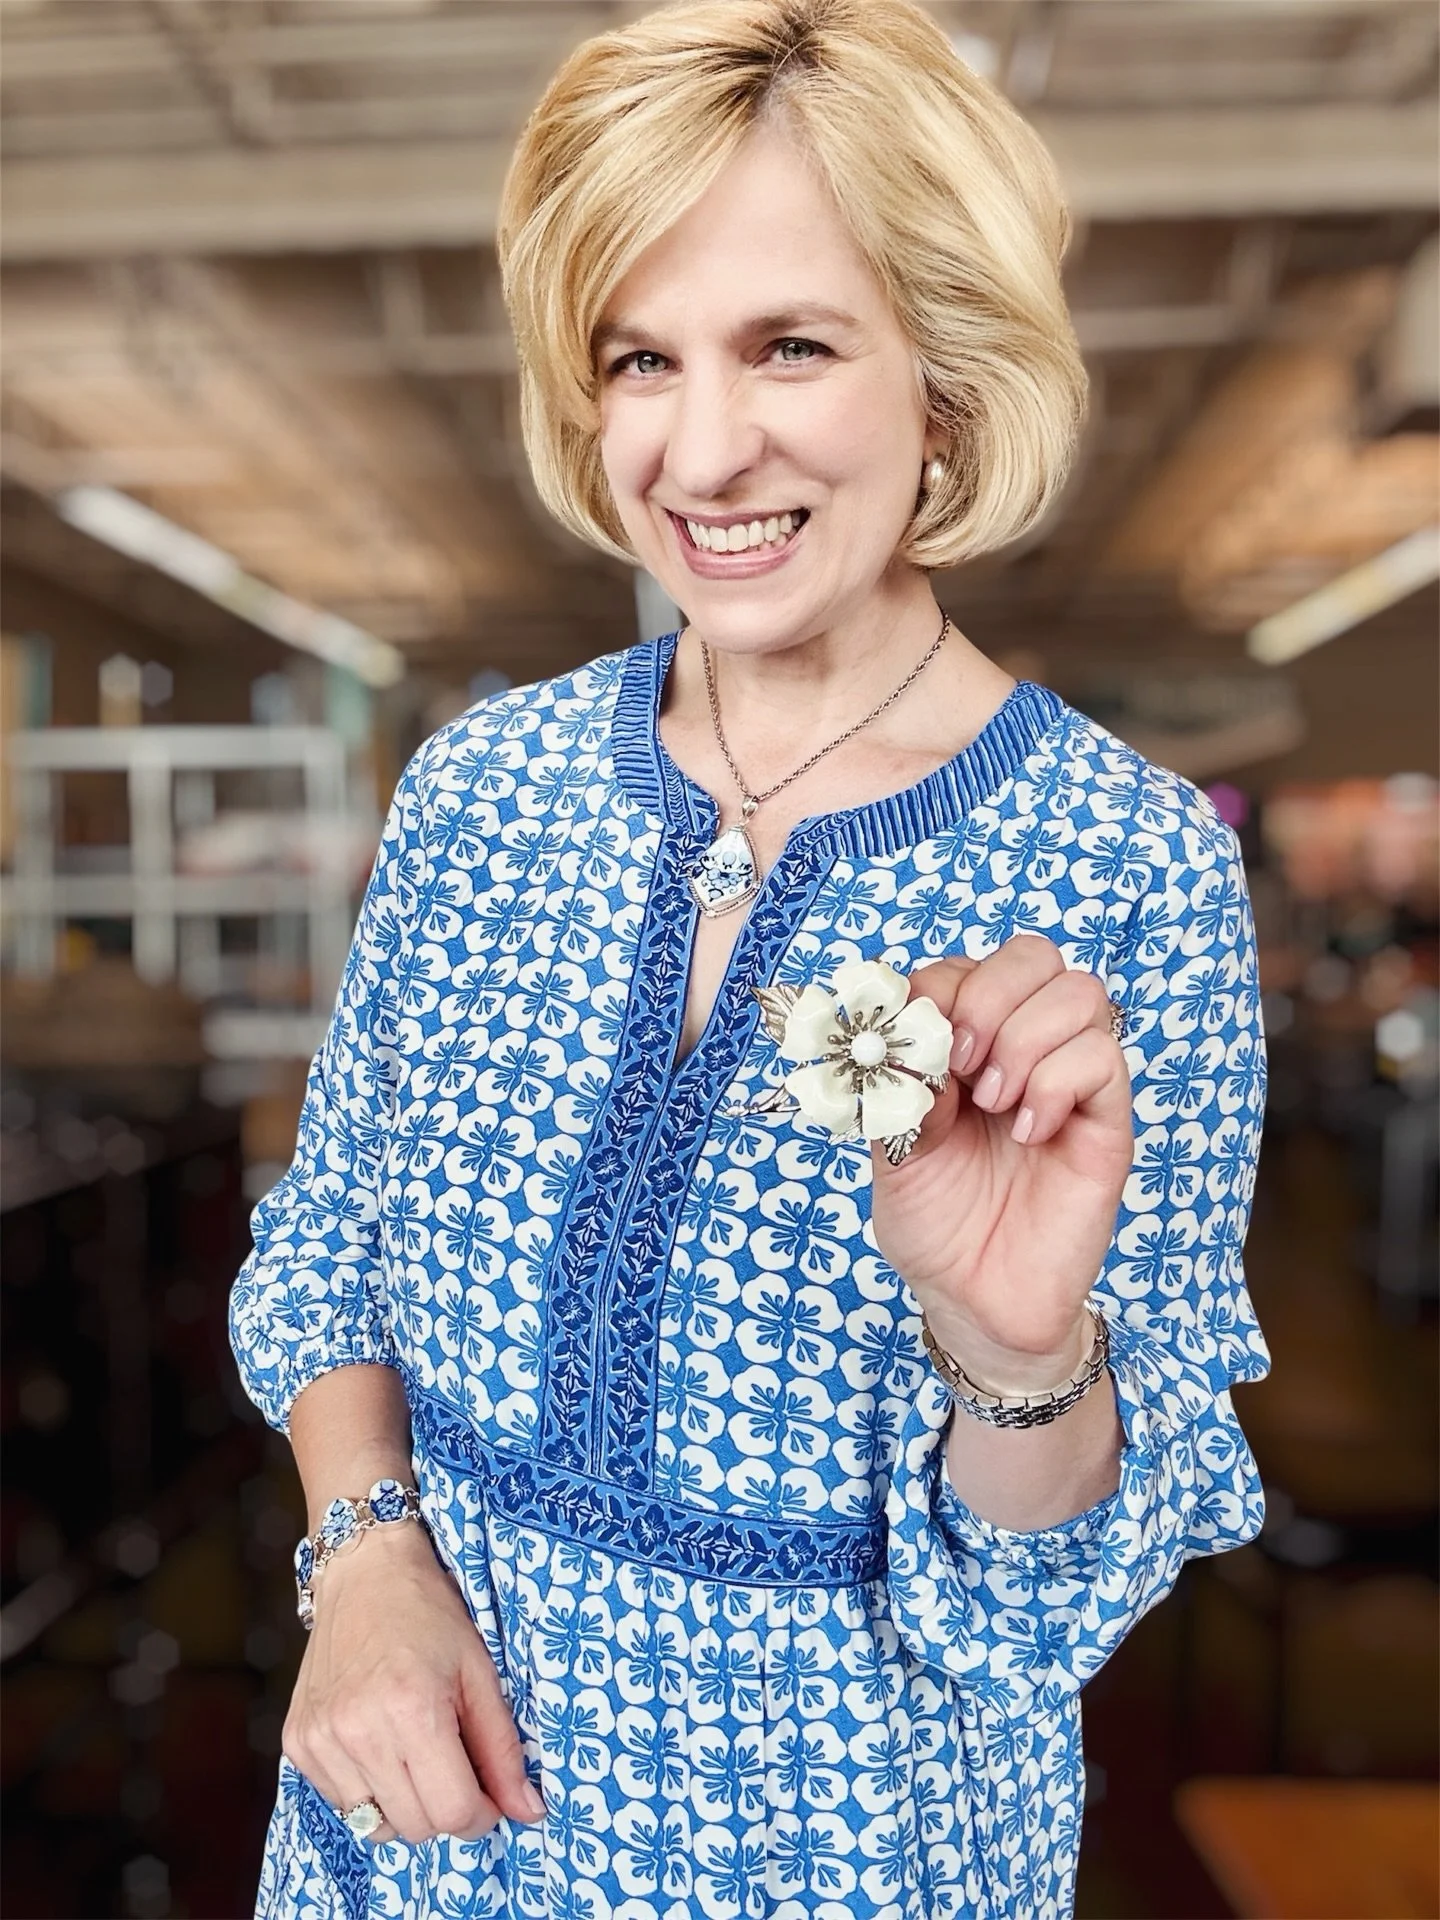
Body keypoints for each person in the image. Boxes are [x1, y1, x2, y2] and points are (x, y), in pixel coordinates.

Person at [229, 3, 1269, 1915]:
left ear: (944, 373)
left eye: (791, 344)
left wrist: (1013, 1342)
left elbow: (1050, 1604)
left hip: (858, 1861)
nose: (705, 451)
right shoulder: (484, 788)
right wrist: (365, 1551)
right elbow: (332, 1240)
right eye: (642, 357)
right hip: (415, 1845)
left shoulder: (1125, 866)